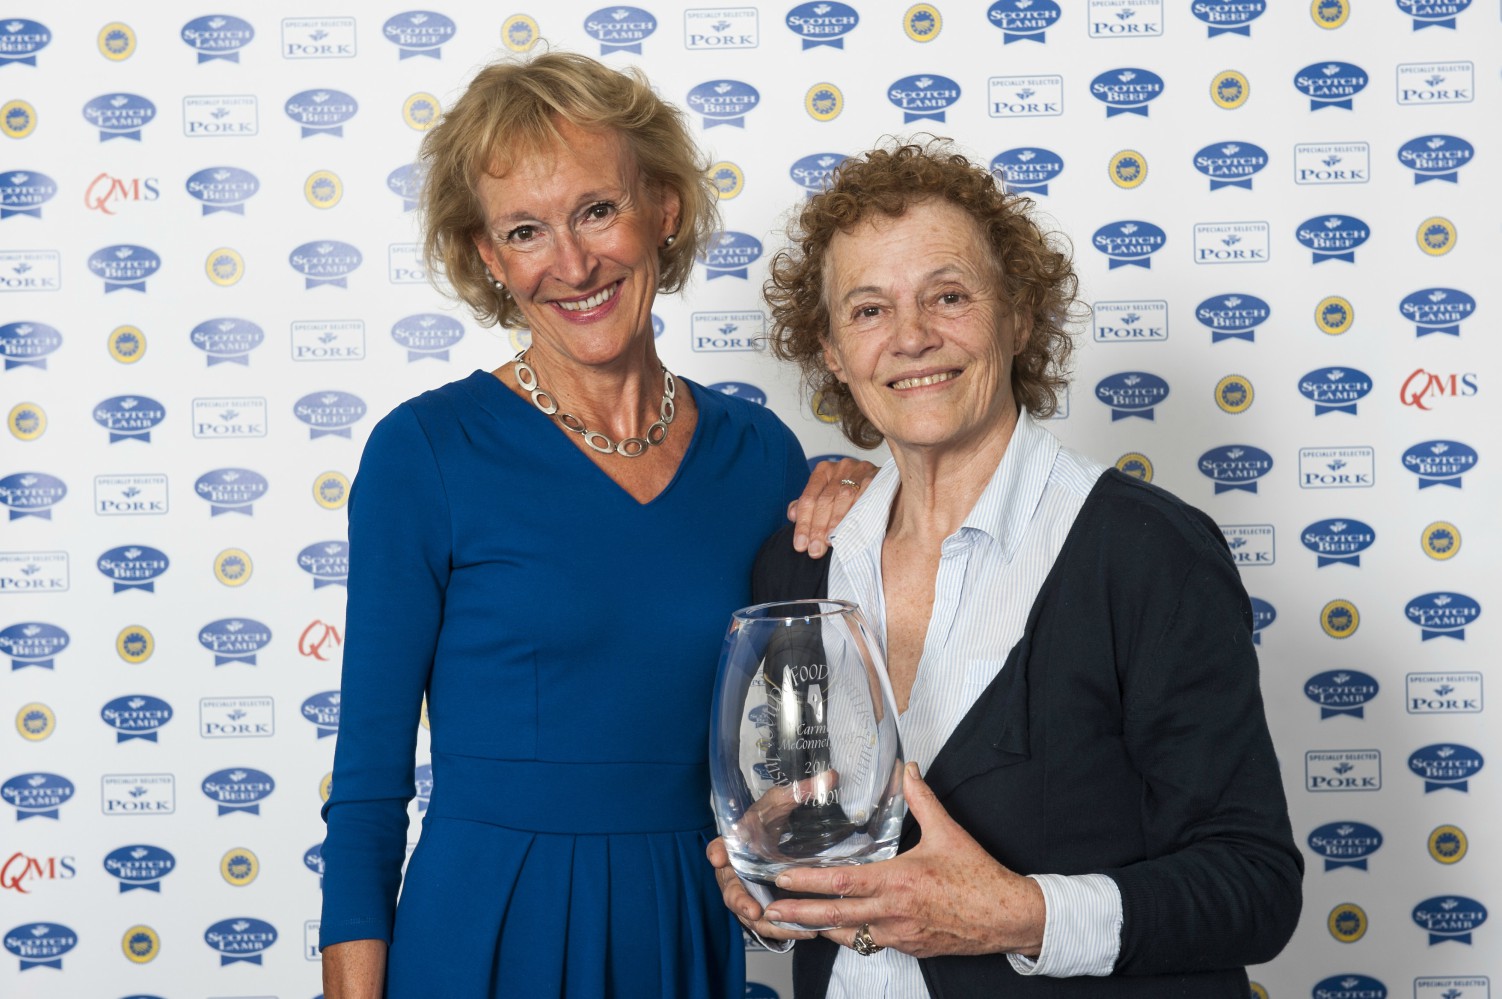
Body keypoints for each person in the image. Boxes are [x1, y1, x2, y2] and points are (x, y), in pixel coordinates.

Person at [318, 52, 873, 999]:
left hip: (686, 918)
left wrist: (873, 505)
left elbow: (804, 756)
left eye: (596, 211)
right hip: (486, 925)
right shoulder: (425, 453)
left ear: (662, 207)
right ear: (490, 258)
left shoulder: (762, 456)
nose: (572, 264)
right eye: (526, 231)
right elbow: (368, 788)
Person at [709, 142, 1302, 997]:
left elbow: (1256, 886)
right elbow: (791, 818)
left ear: (1019, 315)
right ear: (832, 352)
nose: (912, 337)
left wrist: (1021, 913)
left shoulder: (1147, 553)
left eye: (949, 296)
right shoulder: (799, 566)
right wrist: (759, 875)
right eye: (868, 309)